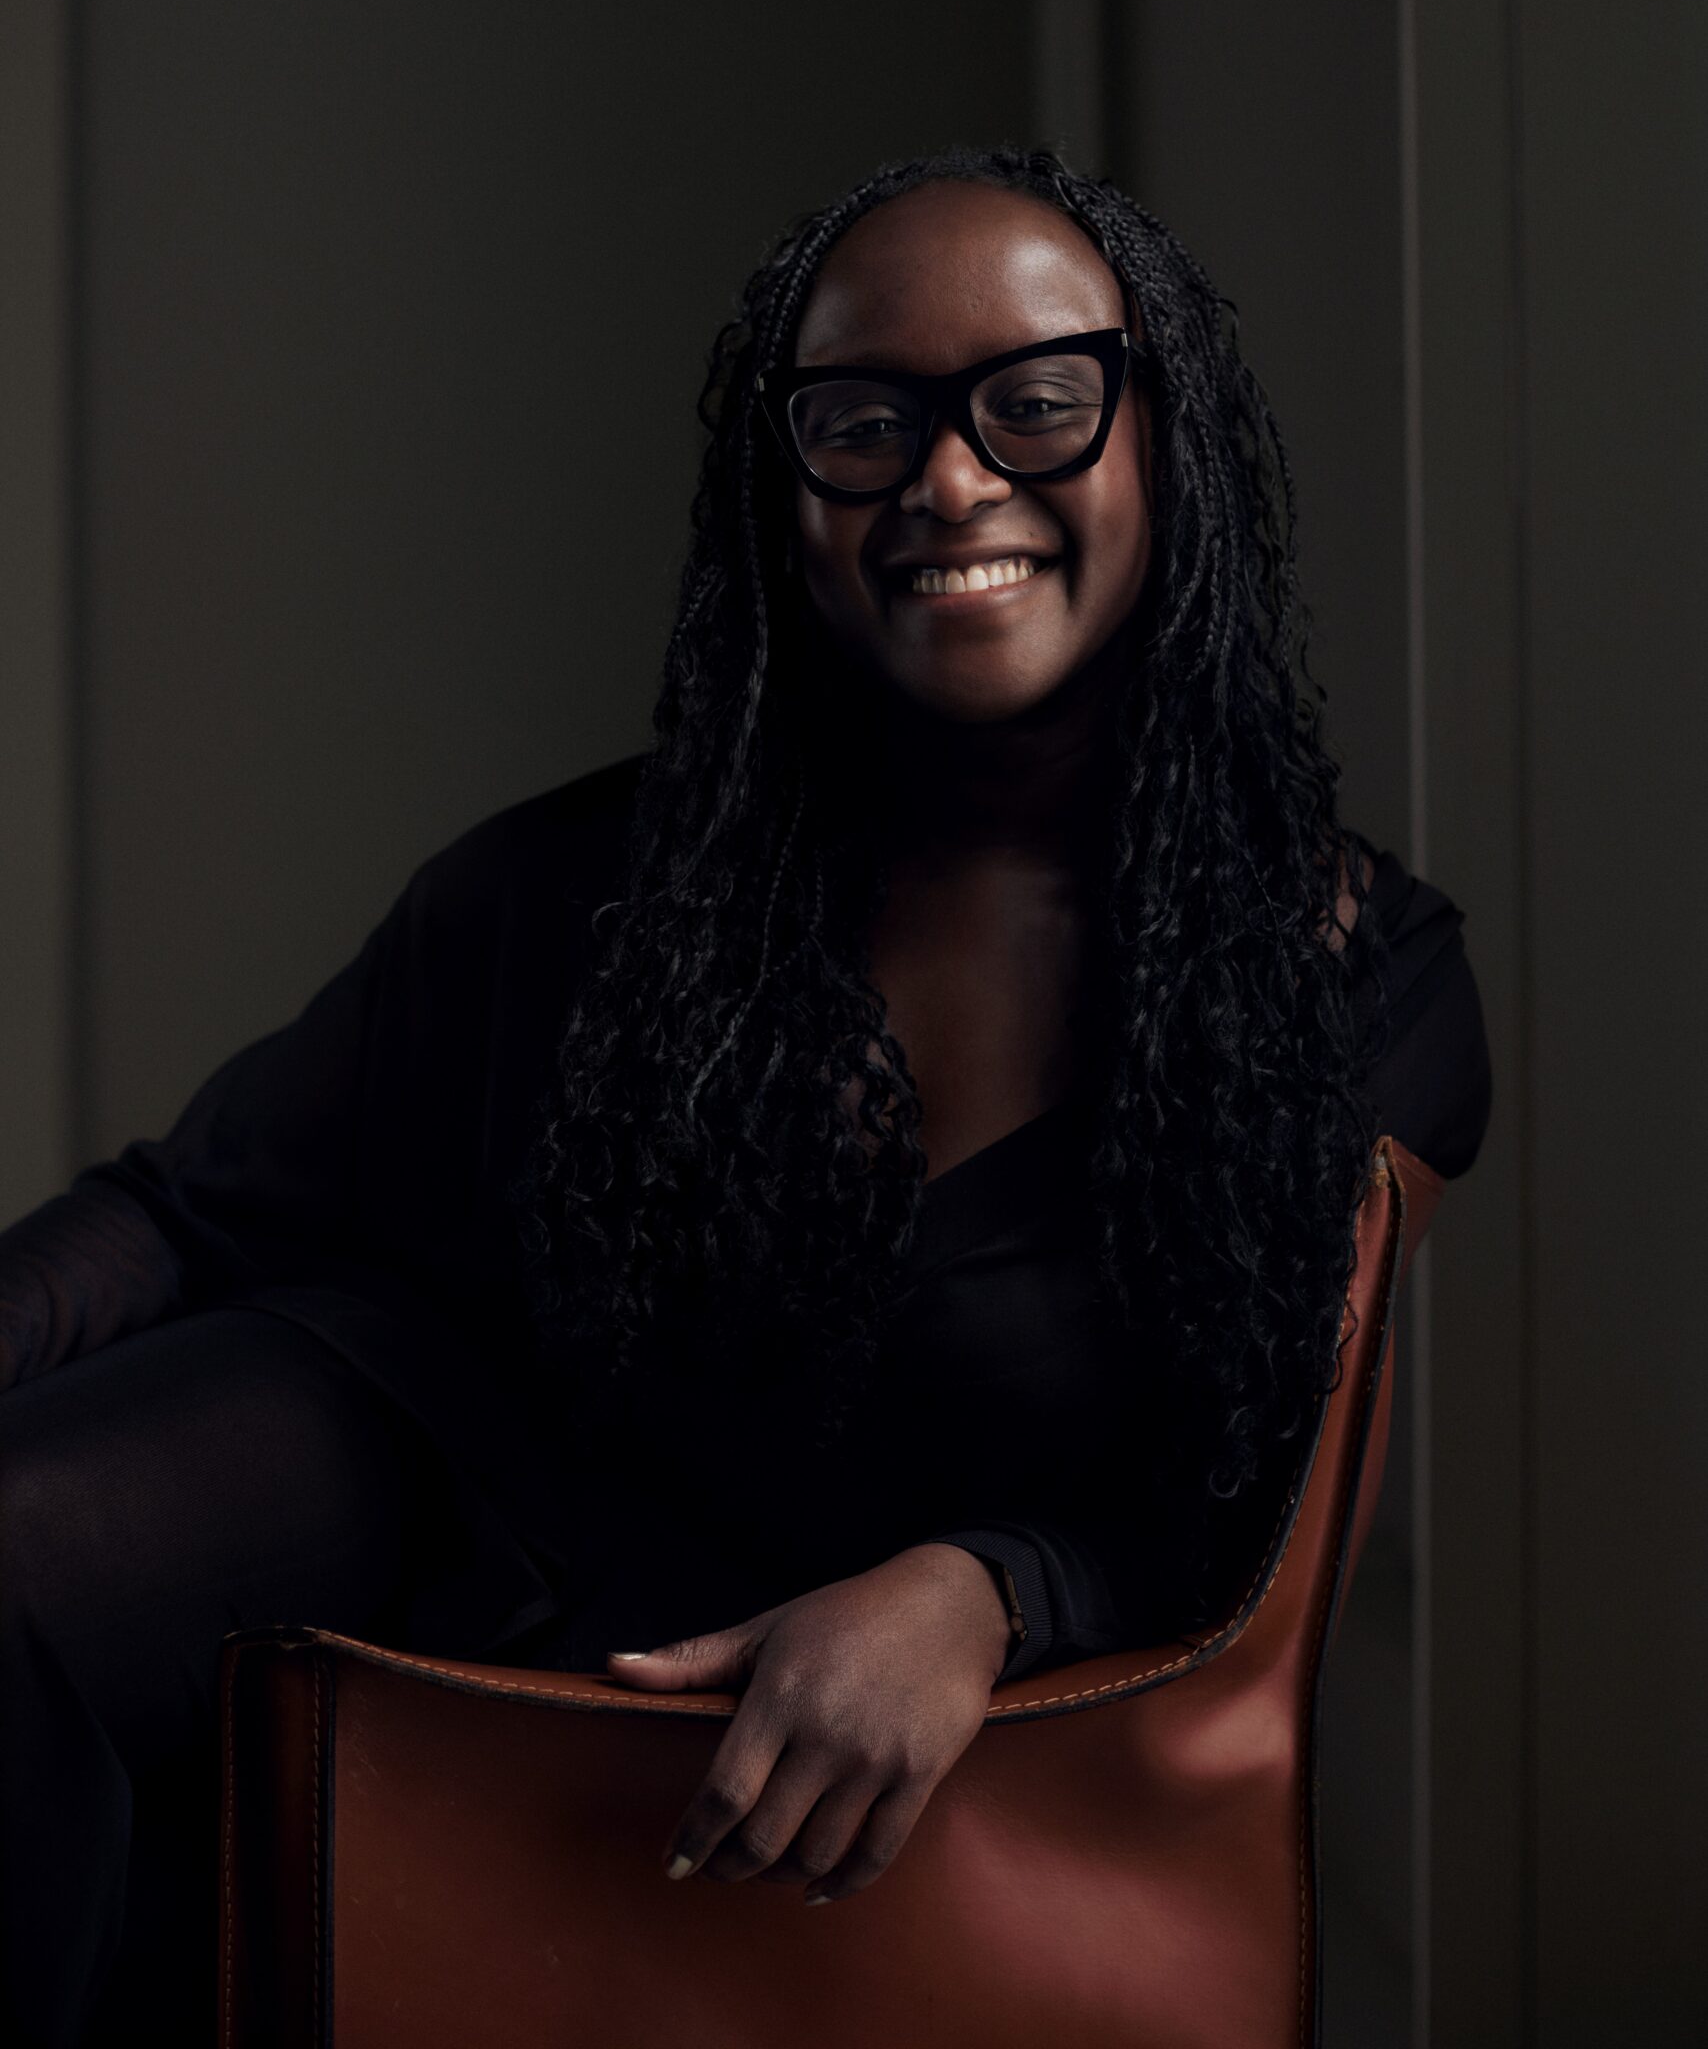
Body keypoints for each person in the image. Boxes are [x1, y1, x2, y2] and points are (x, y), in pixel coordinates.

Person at [0, 145, 1491, 2042]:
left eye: (1039, 401)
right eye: (862, 423)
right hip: (464, 1507)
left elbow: (1253, 1505)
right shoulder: (584, 887)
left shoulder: (1348, 974)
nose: (951, 479)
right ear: (781, 495)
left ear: (1163, 438)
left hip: (919, 1686)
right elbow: (190, 1211)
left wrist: (981, 1592)